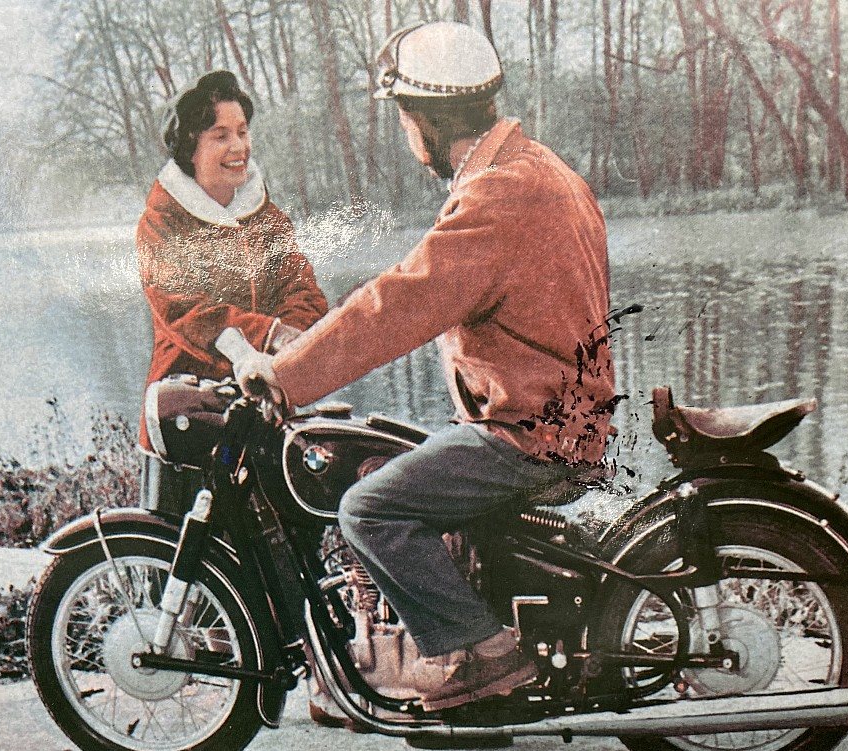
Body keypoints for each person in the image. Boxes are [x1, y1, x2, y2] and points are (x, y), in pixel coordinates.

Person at [220, 21, 615, 712]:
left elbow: (399, 304)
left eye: (404, 119)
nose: (406, 135)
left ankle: (482, 656)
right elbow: (419, 297)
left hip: (530, 430)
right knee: (396, 460)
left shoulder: (498, 195)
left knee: (368, 508)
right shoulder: (542, 169)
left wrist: (286, 374)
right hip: (562, 414)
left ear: (426, 119)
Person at [136, 70, 328, 458]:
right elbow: (185, 311)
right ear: (190, 148)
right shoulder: (161, 223)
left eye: (242, 132)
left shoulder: (267, 218)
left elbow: (302, 290)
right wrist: (266, 336)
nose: (239, 146)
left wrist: (285, 347)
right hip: (188, 411)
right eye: (220, 136)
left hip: (267, 402)